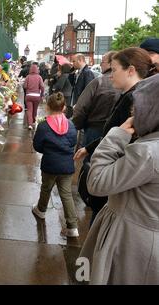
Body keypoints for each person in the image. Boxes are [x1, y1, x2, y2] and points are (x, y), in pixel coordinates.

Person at [79, 73, 159, 284]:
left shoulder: (148, 152)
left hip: (128, 240)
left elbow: (97, 183)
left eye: (138, 107)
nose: (133, 112)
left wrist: (115, 136)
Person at [74, 47, 155, 225]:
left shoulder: (133, 99)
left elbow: (119, 137)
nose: (111, 75)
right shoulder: (131, 95)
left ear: (131, 70)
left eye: (115, 69)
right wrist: (88, 148)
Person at [32, 92, 79, 237]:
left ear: (48, 106)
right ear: (64, 107)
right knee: (66, 194)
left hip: (50, 164)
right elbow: (73, 143)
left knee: (46, 188)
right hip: (67, 165)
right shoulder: (71, 125)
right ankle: (72, 227)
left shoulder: (43, 126)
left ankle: (41, 210)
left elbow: (37, 146)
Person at [72, 51, 121, 147]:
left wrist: (77, 124)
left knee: (90, 159)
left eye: (102, 62)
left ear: (112, 63)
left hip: (94, 128)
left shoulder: (98, 81)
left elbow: (81, 107)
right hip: (116, 131)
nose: (100, 65)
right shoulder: (127, 83)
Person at [23, 64, 45, 130]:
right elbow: (42, 87)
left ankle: (30, 124)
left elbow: (25, 86)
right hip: (37, 96)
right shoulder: (39, 77)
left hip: (29, 96)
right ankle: (33, 122)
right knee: (35, 110)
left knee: (29, 110)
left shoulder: (28, 77)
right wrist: (41, 95)